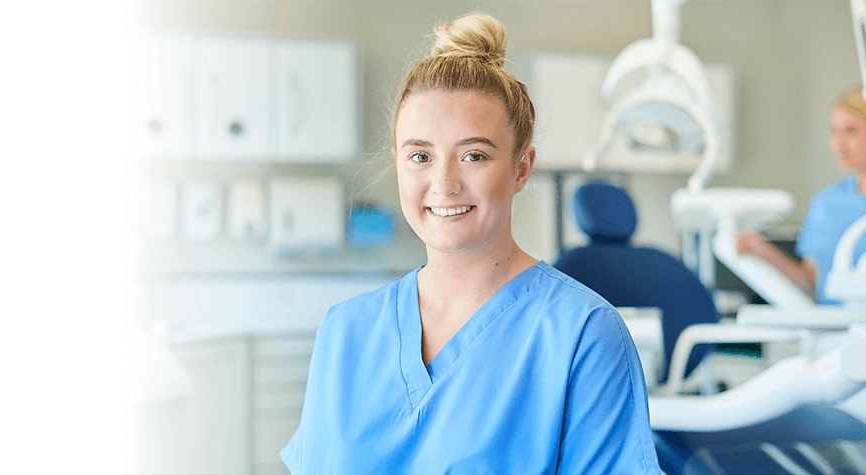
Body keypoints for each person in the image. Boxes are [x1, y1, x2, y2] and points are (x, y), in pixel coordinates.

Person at [279, 13, 660, 474]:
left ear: (521, 169)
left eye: (474, 155)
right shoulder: (345, 332)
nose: (444, 183)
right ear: (397, 163)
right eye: (420, 156)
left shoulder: (582, 335)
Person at [736, 85, 866, 305]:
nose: (839, 143)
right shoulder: (825, 204)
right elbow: (811, 281)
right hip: (831, 324)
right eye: (834, 131)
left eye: (851, 131)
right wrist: (765, 252)